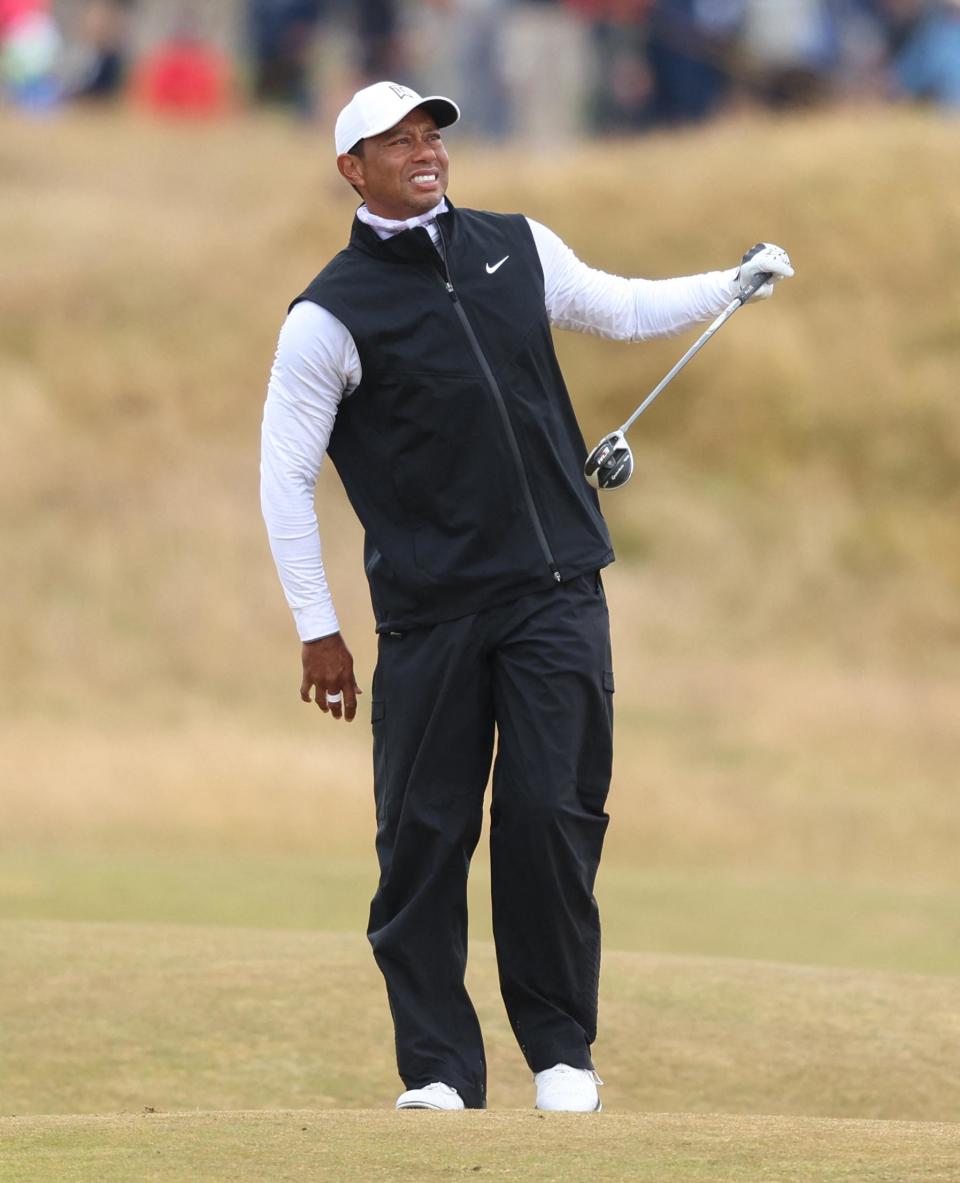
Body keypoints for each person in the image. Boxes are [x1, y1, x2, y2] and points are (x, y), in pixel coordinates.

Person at [260, 80, 793, 1113]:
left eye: (431, 136)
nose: (424, 152)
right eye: (397, 142)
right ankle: (438, 1071)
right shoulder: (329, 315)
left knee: (552, 811)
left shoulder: (515, 246)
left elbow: (620, 303)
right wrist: (318, 630)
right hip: (430, 613)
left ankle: (562, 1053)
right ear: (351, 171)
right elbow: (283, 474)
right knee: (424, 836)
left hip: (555, 592)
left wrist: (727, 284)